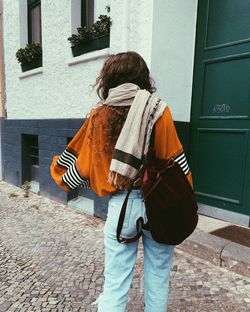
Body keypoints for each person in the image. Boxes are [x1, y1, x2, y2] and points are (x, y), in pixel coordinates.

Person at [50, 51, 193, 311]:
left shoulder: (99, 116)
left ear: (109, 80)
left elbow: (85, 167)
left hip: (121, 208)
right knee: (159, 278)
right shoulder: (159, 110)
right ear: (143, 78)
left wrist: (59, 173)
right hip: (158, 204)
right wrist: (185, 198)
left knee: (115, 284)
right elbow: (177, 164)